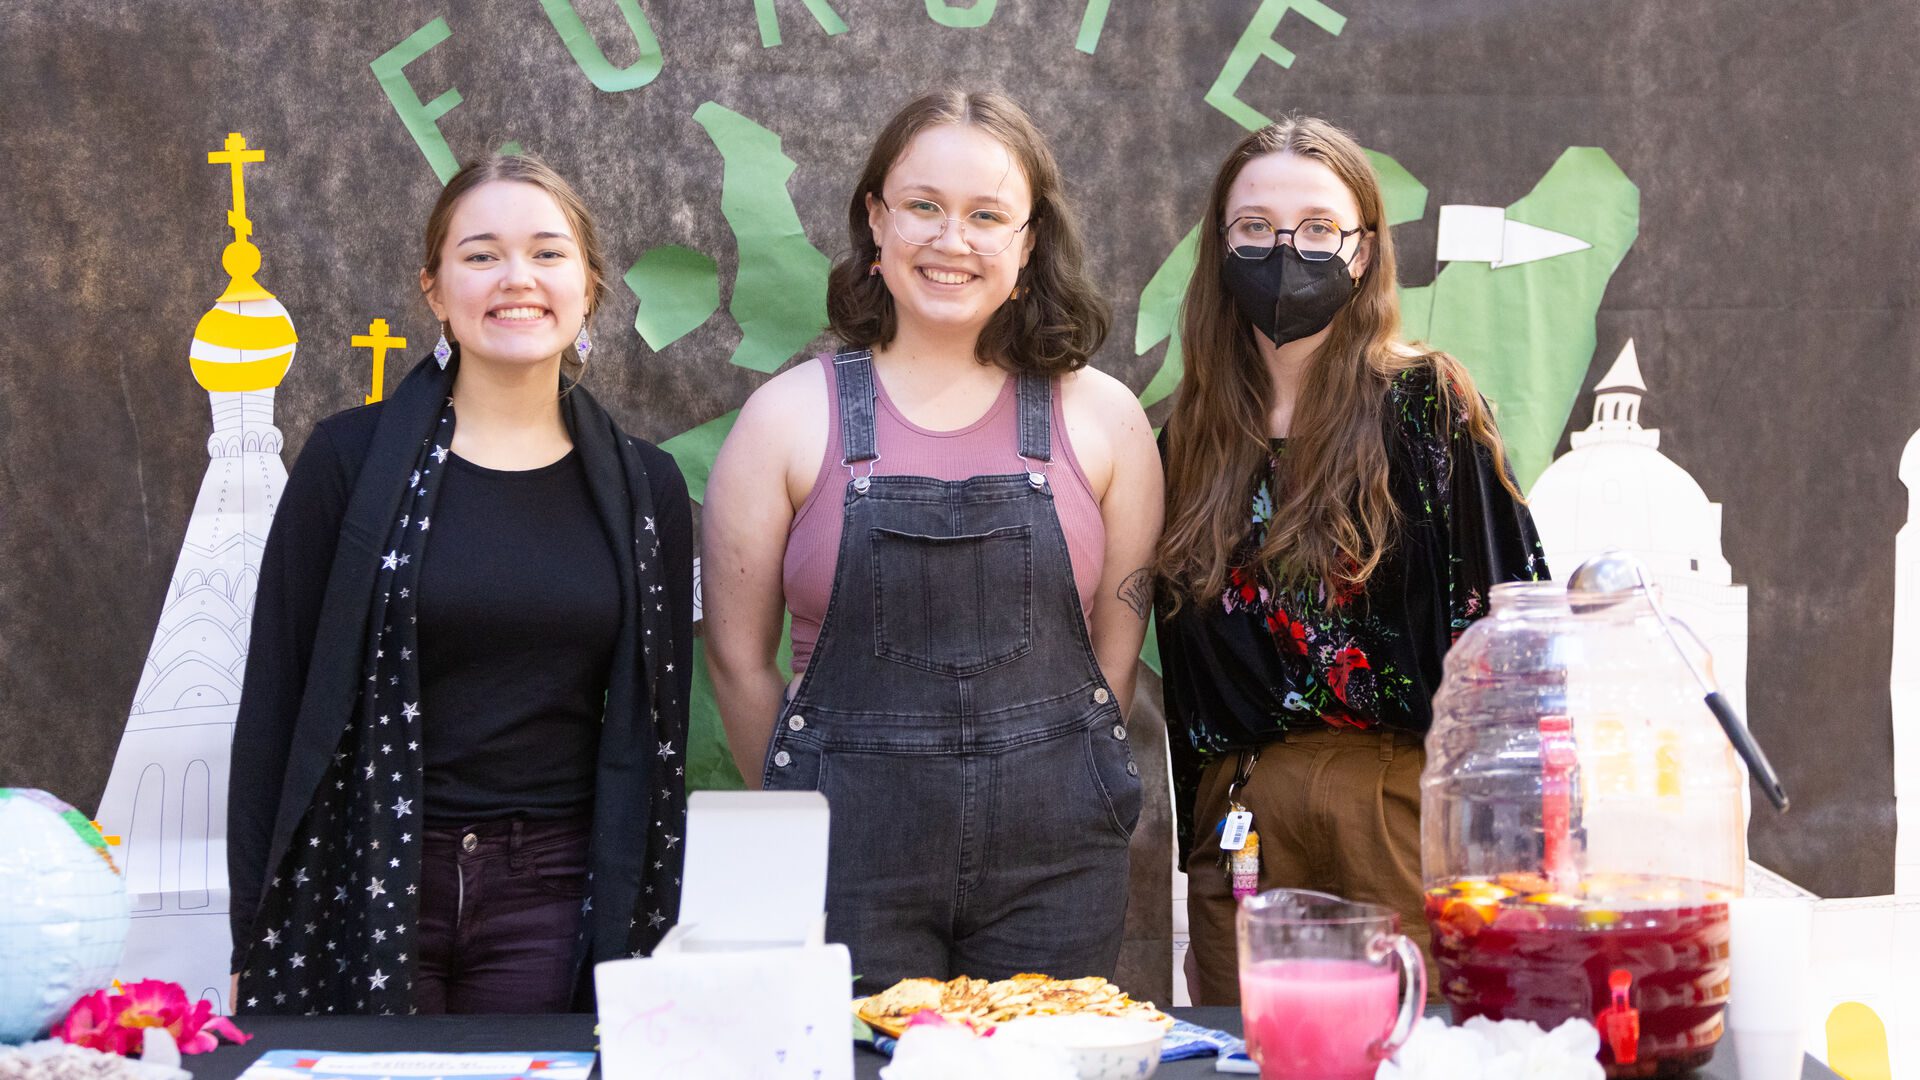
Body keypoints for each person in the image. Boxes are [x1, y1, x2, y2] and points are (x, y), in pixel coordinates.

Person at [701, 89, 1163, 992]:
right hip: (845, 865)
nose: (953, 241)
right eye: (924, 207)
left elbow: (1112, 665)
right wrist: (815, 813)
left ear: (1029, 245)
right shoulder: (787, 418)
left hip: (1056, 871)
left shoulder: (1105, 419)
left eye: (988, 216)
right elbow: (736, 661)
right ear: (876, 221)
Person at [227, 156, 694, 1015]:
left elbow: (661, 729)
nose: (517, 278)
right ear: (435, 291)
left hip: (552, 894)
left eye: (548, 254)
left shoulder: (647, 490)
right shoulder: (345, 462)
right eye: (481, 255)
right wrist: (252, 932)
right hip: (365, 878)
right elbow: (273, 711)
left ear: (588, 288)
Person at [1153, 117, 1548, 1005]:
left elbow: (1514, 638)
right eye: (1254, 227)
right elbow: (1178, 674)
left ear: (1363, 252)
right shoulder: (1187, 438)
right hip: (1242, 824)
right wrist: (1199, 847)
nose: (1285, 248)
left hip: (1395, 809)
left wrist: (1513, 859)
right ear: (1221, 247)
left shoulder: (1424, 406)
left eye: (1319, 227)